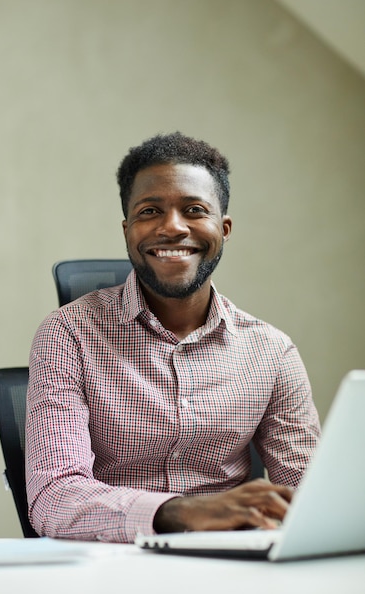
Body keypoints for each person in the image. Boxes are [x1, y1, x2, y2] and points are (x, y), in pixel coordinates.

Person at [26, 132, 321, 542]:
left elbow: (310, 499)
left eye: (194, 209)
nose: (172, 227)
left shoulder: (272, 351)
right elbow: (54, 499)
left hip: (233, 568)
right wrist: (184, 512)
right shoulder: (68, 333)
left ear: (224, 228)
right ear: (128, 229)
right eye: (150, 211)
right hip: (111, 565)